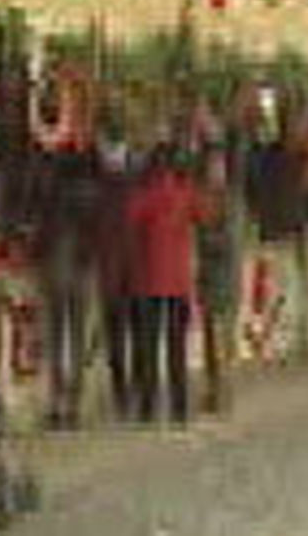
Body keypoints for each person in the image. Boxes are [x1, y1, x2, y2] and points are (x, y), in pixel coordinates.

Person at [127, 144, 209, 424]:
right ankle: (179, 406)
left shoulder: (145, 196)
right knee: (177, 348)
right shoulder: (186, 193)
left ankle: (148, 407)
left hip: (148, 280)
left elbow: (131, 220)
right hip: (179, 281)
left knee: (148, 347)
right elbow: (205, 216)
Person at [34, 151, 97, 429]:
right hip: (82, 268)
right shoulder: (90, 196)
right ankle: (76, 403)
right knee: (77, 336)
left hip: (55, 265)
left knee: (56, 336)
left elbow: (40, 236)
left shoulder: (48, 197)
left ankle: (57, 402)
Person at [195, 143, 242, 413]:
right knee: (211, 341)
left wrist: (203, 236)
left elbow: (227, 241)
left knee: (222, 339)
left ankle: (222, 394)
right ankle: (214, 390)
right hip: (210, 278)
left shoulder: (229, 201)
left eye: (218, 166)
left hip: (224, 278)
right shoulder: (207, 197)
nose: (215, 171)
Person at [94, 142, 137, 419]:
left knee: (117, 339)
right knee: (132, 335)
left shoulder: (102, 202)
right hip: (132, 275)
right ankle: (131, 391)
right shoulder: (132, 198)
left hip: (112, 276)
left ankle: (122, 392)